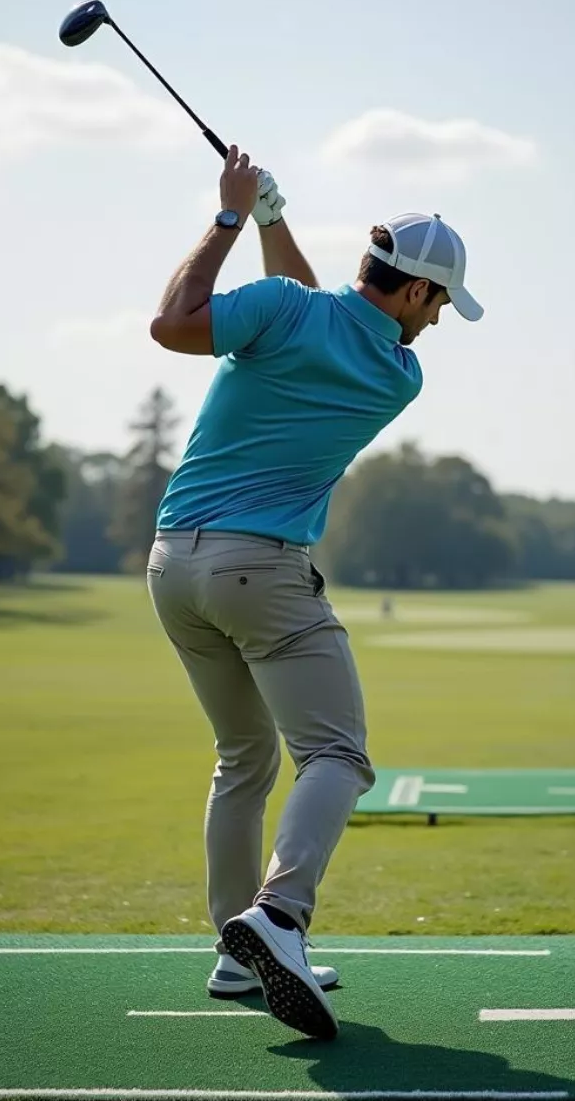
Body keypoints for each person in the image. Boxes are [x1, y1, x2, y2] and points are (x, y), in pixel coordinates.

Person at [145, 146, 483, 1041]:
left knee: (242, 759)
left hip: (173, 566)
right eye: (440, 301)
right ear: (413, 293)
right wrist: (248, 218)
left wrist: (243, 217)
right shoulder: (396, 373)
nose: (440, 320)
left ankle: (233, 950)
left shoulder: (286, 313)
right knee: (338, 755)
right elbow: (184, 323)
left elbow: (222, 317)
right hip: (262, 572)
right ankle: (279, 917)